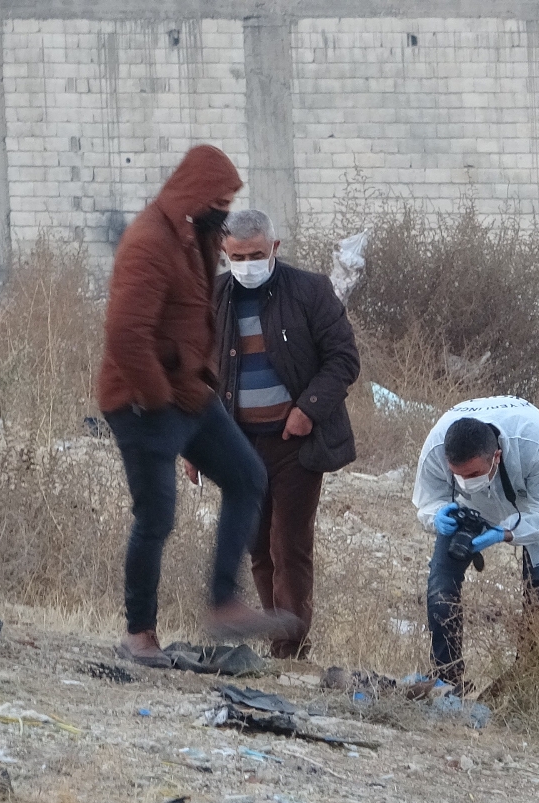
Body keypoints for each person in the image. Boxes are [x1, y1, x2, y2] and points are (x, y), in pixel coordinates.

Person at [98, 146, 298, 667]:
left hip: (188, 393)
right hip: (143, 401)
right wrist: (157, 400)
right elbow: (124, 334)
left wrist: (185, 391)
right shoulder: (149, 243)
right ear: (194, 194)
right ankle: (139, 635)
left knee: (247, 477)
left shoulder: (193, 237)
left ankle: (224, 602)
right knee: (156, 516)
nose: (226, 210)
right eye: (221, 199)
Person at [200, 208, 360, 659]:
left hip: (295, 445)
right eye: (237, 256)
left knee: (288, 543)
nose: (246, 264)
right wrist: (193, 444)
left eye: (255, 254)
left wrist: (307, 410)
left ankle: (290, 647)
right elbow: (196, 374)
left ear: (275, 249)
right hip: (237, 444)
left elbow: (343, 359)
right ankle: (275, 637)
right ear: (223, 253)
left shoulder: (310, 291)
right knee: (257, 544)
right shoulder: (211, 296)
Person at [411, 397, 539, 686]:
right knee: (441, 579)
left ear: (496, 456)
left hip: (533, 497)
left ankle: (530, 678)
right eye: (457, 475)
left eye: (472, 474)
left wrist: (505, 532)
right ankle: (446, 677)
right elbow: (427, 499)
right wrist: (436, 515)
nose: (463, 480)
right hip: (468, 505)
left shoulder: (536, 445)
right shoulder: (437, 446)